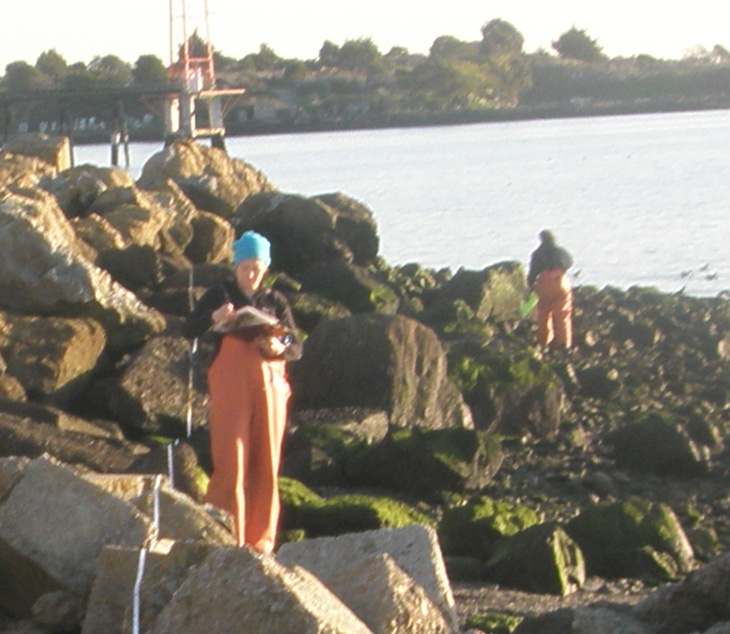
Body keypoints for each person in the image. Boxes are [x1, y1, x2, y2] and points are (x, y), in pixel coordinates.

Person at [183, 230, 301, 552]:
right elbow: (188, 329)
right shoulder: (219, 294)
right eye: (247, 267)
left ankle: (261, 542)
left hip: (271, 384)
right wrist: (213, 318)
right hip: (231, 383)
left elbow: (296, 342)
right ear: (236, 266)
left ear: (266, 269)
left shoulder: (275, 301)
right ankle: (225, 536)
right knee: (231, 459)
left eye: (258, 268)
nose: (252, 275)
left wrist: (279, 345)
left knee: (267, 460)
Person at [527, 229, 574, 349]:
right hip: (561, 282)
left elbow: (532, 273)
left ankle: (545, 342)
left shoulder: (537, 254)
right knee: (563, 314)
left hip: (544, 283)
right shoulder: (561, 252)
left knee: (543, 313)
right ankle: (564, 344)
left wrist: (530, 286)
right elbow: (570, 263)